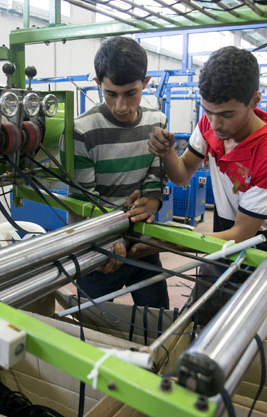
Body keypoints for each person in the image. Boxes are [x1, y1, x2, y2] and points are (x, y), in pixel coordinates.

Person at [144, 46, 267, 336]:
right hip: (220, 235)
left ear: (254, 101)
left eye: (226, 114)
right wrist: (165, 154)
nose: (215, 123)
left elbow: (241, 235)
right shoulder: (210, 124)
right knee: (197, 325)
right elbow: (182, 175)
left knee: (255, 341)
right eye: (208, 111)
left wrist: (166, 243)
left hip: (259, 246)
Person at [61, 36, 169, 308]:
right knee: (90, 329)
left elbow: (155, 175)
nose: (121, 106)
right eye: (111, 94)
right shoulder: (81, 131)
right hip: (97, 250)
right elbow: (85, 201)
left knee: (157, 326)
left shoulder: (157, 121)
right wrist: (110, 239)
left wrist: (153, 200)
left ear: (145, 83)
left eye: (130, 93)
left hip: (142, 246)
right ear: (98, 85)